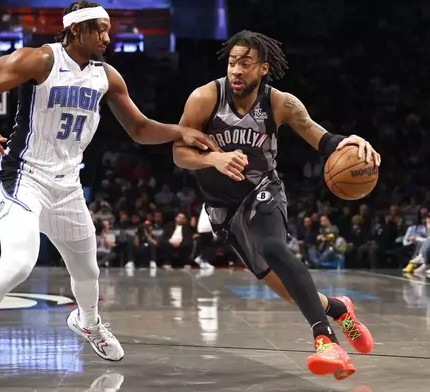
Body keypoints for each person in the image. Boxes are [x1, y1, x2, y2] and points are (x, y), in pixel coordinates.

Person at [0, 1, 217, 389]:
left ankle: (87, 323)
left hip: (67, 183)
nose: (108, 37)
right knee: (19, 265)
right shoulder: (39, 60)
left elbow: (139, 129)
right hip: (24, 176)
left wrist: (179, 132)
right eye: (100, 30)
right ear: (76, 30)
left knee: (88, 271)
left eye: (109, 30)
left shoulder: (108, 76)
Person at [172, 30, 381, 380]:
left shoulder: (281, 103)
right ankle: (338, 308)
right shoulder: (205, 97)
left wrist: (349, 141)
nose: (236, 70)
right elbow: (180, 153)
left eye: (246, 63)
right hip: (223, 209)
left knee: (274, 247)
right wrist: (214, 160)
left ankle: (326, 340)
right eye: (232, 62)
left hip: (262, 190)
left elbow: (321, 137)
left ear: (264, 69)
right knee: (285, 289)